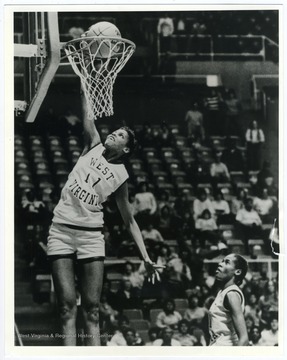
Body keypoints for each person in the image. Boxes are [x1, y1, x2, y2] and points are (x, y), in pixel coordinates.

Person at [47, 94, 162, 346]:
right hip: (61, 232)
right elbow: (87, 106)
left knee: (92, 309)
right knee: (66, 306)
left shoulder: (121, 176)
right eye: (116, 131)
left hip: (90, 237)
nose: (114, 134)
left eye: (121, 135)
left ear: (127, 148)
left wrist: (145, 257)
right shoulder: (94, 144)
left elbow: (129, 220)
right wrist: (83, 74)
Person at [208, 253, 249, 346]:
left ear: (237, 272)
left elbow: (244, 339)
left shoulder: (232, 294)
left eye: (227, 262)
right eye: (222, 261)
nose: (220, 264)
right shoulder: (222, 292)